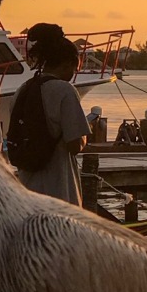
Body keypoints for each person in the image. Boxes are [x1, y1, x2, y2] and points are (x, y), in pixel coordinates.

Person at [11, 32, 89, 204]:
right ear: (69, 62)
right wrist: (84, 135)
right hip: (58, 190)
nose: (74, 73)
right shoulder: (65, 91)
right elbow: (75, 144)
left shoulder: (23, 89)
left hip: (27, 190)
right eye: (75, 68)